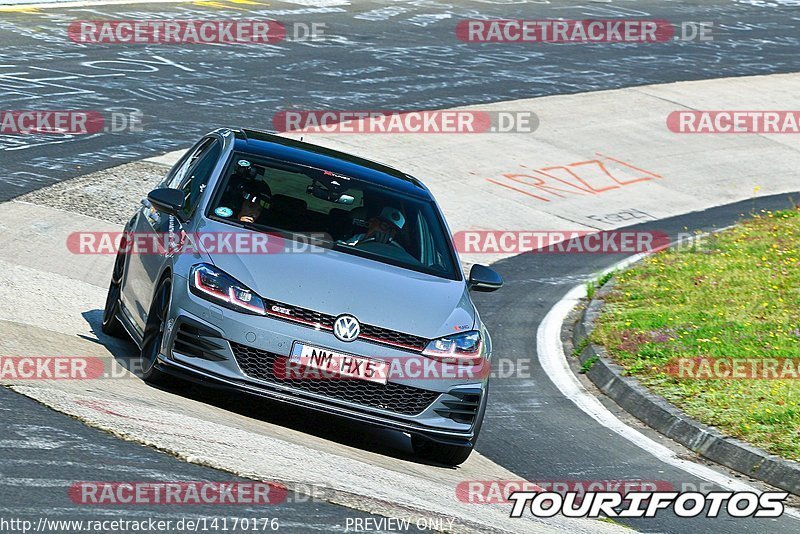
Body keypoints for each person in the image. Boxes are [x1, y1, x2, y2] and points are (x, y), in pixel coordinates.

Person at [340, 206, 406, 247]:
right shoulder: (357, 239)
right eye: (384, 226)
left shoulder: (397, 250)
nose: (386, 232)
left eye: (393, 231)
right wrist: (363, 243)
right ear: (372, 222)